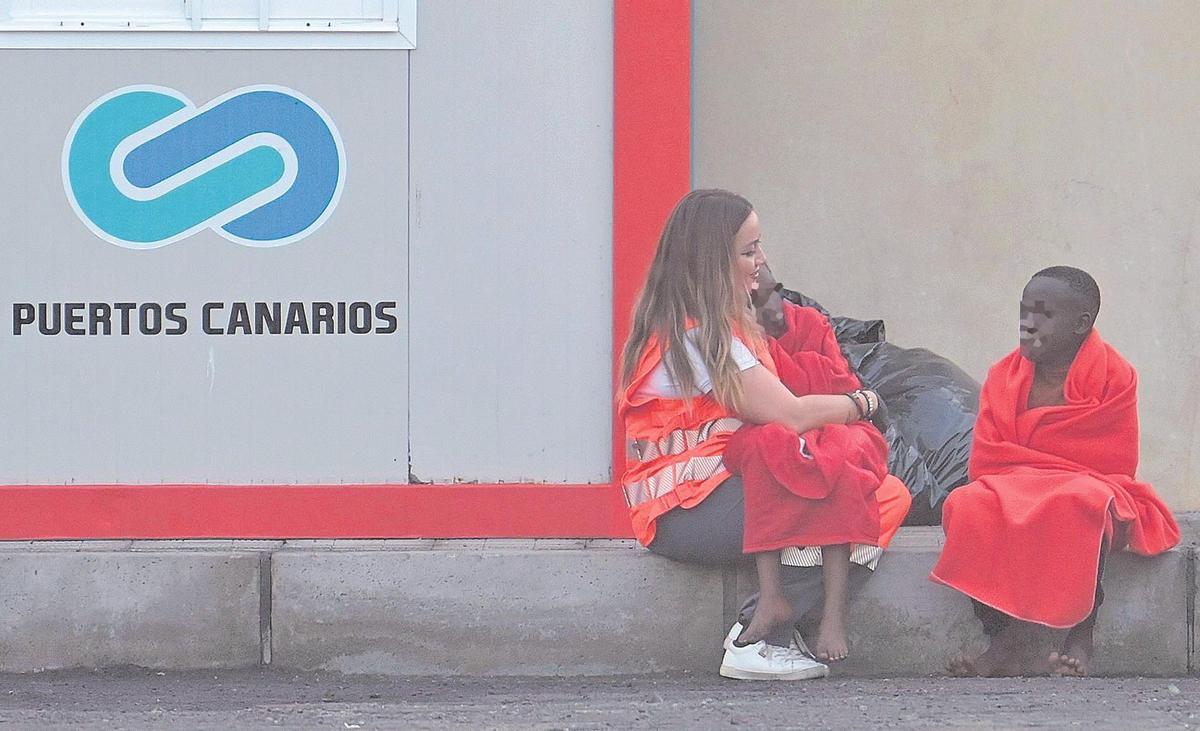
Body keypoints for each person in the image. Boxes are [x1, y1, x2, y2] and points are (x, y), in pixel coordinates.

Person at [617, 189, 908, 680]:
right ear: (713, 262)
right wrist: (864, 404)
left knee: (882, 494)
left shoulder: (704, 327)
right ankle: (756, 638)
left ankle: (781, 624)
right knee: (851, 493)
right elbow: (790, 414)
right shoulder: (698, 336)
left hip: (707, 498)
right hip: (686, 509)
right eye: (748, 251)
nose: (761, 261)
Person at [930, 266, 1180, 676]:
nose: (1028, 324)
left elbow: (1113, 461)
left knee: (1084, 500)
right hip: (1011, 479)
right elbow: (987, 457)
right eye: (1024, 311)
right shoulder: (1003, 376)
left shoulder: (1114, 376)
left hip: (1086, 482)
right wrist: (1029, 478)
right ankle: (1003, 639)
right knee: (966, 503)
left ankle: (1081, 636)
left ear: (1081, 323)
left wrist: (1050, 478)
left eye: (1043, 314)